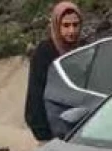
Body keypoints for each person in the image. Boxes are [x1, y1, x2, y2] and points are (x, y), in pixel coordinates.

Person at [25, 2, 83, 142]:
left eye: (75, 25)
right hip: (50, 132)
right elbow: (36, 93)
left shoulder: (83, 50)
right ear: (57, 26)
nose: (71, 31)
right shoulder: (45, 52)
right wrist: (42, 134)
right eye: (66, 25)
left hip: (76, 130)